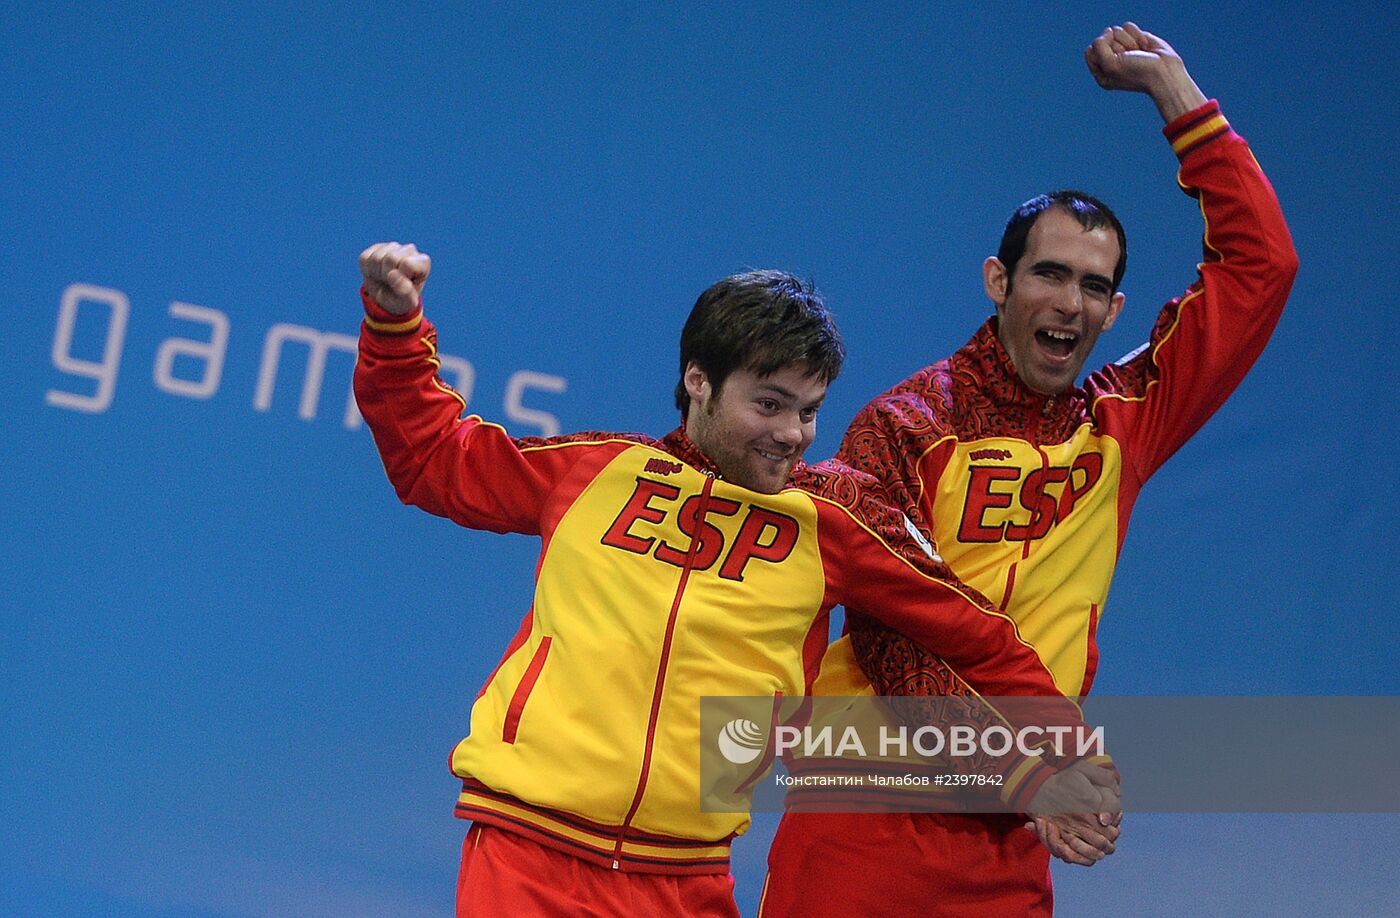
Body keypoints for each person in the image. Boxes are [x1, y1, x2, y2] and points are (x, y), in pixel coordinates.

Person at [353, 259, 1115, 916]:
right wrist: (394, 332)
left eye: (810, 410)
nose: (793, 433)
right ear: (699, 381)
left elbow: (978, 636)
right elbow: (434, 460)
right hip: (528, 852)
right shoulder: (599, 472)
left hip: (687, 878)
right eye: (770, 403)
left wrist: (1058, 753)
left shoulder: (835, 519)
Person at [761, 22, 1299, 918]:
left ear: (1116, 307)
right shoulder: (903, 426)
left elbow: (1261, 267)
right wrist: (1025, 768)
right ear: (997, 282)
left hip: (1013, 838)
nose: (1070, 302)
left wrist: (1177, 97)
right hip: (867, 814)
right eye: (1049, 274)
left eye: (1094, 286)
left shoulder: (1124, 423)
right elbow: (897, 640)